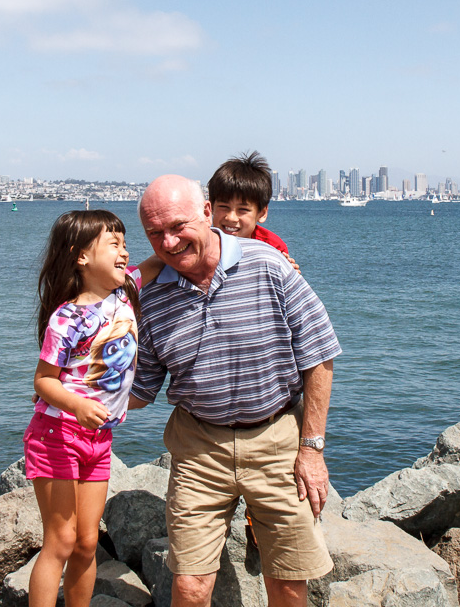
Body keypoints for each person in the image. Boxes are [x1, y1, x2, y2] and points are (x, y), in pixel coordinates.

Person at [131, 176, 341, 607]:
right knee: (190, 586)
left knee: (287, 581)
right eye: (155, 233)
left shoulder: (268, 265)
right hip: (198, 448)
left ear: (207, 213)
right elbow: (142, 387)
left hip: (278, 440)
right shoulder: (149, 298)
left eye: (178, 226)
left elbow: (319, 355)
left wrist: (312, 448)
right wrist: (74, 394)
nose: (168, 243)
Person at [24, 209, 160, 607]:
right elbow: (43, 381)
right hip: (58, 434)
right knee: (61, 541)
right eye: (113, 244)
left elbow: (161, 260)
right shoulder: (68, 318)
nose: (125, 252)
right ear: (81, 257)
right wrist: (77, 405)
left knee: (86, 542)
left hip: (99, 439)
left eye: (125, 243)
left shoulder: (127, 290)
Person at [207, 150, 289, 254]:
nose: (231, 218)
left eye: (243, 209)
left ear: (262, 213)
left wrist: (285, 262)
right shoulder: (201, 242)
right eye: (224, 207)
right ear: (211, 207)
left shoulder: (272, 246)